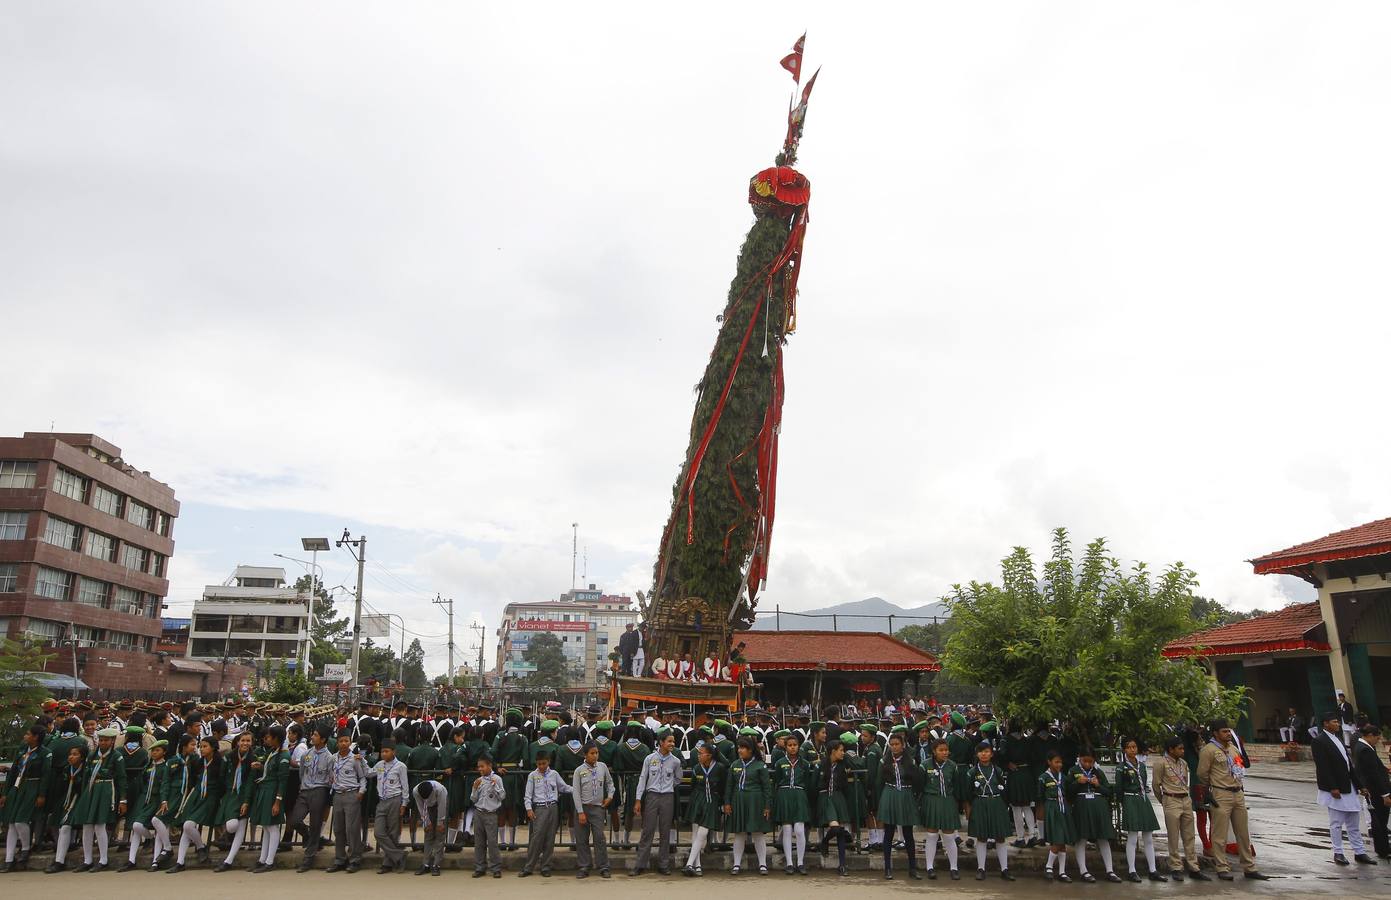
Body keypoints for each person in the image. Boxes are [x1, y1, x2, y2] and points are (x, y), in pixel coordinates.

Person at [1197, 718, 1269, 880]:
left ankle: (1249, 867)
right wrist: (1209, 791)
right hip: (1221, 793)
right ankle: (1222, 866)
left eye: (1229, 731)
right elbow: (1202, 773)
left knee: (1243, 833)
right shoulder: (1208, 750)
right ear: (1215, 733)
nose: (1228, 734)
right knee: (1219, 833)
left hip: (1237, 792)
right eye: (1224, 731)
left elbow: (1239, 767)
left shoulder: (1233, 749)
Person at [1311, 709, 1373, 865]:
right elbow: (1323, 767)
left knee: (1353, 822)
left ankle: (1359, 852)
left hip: (1348, 786)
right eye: (1334, 722)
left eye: (1338, 721)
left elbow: (1348, 765)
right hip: (1336, 788)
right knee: (1336, 823)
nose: (1337, 724)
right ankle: (1338, 852)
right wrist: (1333, 787)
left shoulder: (1337, 738)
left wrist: (1360, 785)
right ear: (1326, 724)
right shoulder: (1319, 741)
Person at [1153, 735, 1208, 880]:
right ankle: (1176, 867)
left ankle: (1193, 867)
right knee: (1173, 836)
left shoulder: (1183, 763)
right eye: (1180, 748)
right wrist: (1164, 800)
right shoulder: (1161, 763)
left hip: (1185, 799)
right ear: (1170, 749)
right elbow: (1156, 786)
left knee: (1189, 835)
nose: (1182, 751)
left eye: (1183, 748)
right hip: (1171, 799)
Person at [632, 729, 682, 875]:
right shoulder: (650, 759)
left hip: (667, 797)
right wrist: (638, 799)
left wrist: (668, 786)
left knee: (665, 831)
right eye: (669, 741)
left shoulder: (675, 761)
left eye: (673, 741)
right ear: (661, 742)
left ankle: (664, 864)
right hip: (652, 796)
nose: (672, 744)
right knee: (648, 831)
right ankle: (640, 864)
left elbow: (678, 778)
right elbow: (643, 778)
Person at [1066, 748, 1120, 882]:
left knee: (1103, 837)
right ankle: (1083, 871)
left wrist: (1098, 785)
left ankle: (1110, 870)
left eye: (1091, 761)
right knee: (1081, 837)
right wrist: (1077, 783)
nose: (1088, 764)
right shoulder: (1073, 771)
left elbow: (1108, 791)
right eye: (1085, 761)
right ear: (1079, 758)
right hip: (1082, 806)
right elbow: (1067, 791)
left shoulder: (1098, 772)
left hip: (1098, 806)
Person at [1, 724, 50, 871]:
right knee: (11, 823)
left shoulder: (44, 753)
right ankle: (9, 859)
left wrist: (41, 794)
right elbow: (13, 772)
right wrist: (5, 793)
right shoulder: (22, 751)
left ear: (36, 737)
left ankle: (25, 848)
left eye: (28, 734)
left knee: (20, 821)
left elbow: (46, 775)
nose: (25, 736)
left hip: (32, 788)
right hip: (17, 788)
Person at [169, 736, 221, 872]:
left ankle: (198, 849)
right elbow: (192, 778)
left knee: (188, 825)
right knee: (187, 825)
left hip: (210, 796)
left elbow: (223, 781)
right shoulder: (198, 762)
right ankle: (184, 859)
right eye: (201, 746)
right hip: (197, 794)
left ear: (213, 748)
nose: (202, 749)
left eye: (205, 746)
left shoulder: (220, 762)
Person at [1116, 737, 1164, 881]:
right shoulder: (1122, 767)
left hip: (1142, 799)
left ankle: (1153, 870)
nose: (1132, 750)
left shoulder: (1141, 766)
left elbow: (1144, 783)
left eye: (1134, 747)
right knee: (1132, 836)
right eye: (1129, 747)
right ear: (1124, 749)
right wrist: (1122, 802)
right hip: (1130, 799)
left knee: (1148, 836)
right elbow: (1119, 788)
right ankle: (1132, 870)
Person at [964, 740, 1013, 880]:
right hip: (980, 802)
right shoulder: (972, 772)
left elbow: (1004, 789)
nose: (984, 754)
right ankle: (981, 868)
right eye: (981, 752)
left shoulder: (997, 770)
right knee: (981, 836)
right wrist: (968, 810)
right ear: (977, 754)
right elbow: (968, 794)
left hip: (996, 802)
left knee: (1000, 836)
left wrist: (1004, 805)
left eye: (987, 752)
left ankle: (1005, 869)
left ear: (991, 754)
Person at [724, 735, 771, 875]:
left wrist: (767, 805)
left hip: (756, 802)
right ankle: (736, 864)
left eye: (743, 748)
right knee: (739, 833)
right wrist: (727, 802)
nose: (740, 750)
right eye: (739, 747)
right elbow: (729, 786)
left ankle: (762, 864)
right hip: (738, 801)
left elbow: (767, 788)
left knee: (757, 832)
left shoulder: (759, 765)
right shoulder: (735, 765)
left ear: (750, 750)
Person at [876, 731, 921, 879]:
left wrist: (914, 798)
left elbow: (916, 782)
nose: (894, 747)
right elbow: (878, 783)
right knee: (889, 832)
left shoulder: (911, 761)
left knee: (908, 833)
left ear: (903, 746)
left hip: (906, 796)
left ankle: (912, 868)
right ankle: (887, 868)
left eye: (897, 744)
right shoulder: (884, 762)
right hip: (889, 795)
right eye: (892, 744)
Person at [120, 738, 169, 872]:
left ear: (164, 752)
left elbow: (165, 785)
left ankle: (155, 861)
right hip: (146, 800)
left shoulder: (165, 767)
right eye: (152, 750)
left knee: (159, 828)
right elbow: (143, 782)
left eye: (157, 750)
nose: (154, 753)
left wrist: (164, 800)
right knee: (136, 826)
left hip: (158, 800)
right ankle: (131, 860)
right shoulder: (149, 766)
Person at [519, 749, 569, 877]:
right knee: (536, 838)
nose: (541, 766)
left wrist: (577, 790)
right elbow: (528, 795)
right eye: (539, 764)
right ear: (536, 763)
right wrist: (529, 809)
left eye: (544, 763)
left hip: (553, 807)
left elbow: (563, 787)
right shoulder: (532, 776)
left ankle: (546, 866)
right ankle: (529, 866)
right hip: (539, 808)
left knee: (550, 838)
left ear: (549, 762)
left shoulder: (554, 774)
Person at [289, 726, 332, 872]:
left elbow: (330, 777)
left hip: (319, 790)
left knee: (315, 823)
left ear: (323, 739)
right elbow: (302, 773)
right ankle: (309, 837)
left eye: (315, 735)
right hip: (305, 790)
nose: (312, 737)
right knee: (295, 820)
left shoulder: (329, 758)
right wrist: (304, 785)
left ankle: (309, 857)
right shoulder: (306, 754)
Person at [771, 732, 814, 875]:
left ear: (799, 746)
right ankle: (789, 862)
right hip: (784, 795)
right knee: (787, 830)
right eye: (789, 745)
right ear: (785, 747)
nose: (792, 748)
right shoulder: (779, 763)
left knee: (800, 830)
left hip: (799, 795)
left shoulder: (805, 764)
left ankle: (800, 862)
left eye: (795, 745)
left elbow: (808, 782)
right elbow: (777, 780)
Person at [919, 737, 961, 880]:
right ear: (934, 751)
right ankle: (929, 867)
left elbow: (956, 785)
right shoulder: (925, 765)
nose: (944, 753)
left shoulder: (952, 766)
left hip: (947, 801)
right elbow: (921, 785)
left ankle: (954, 868)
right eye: (941, 750)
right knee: (931, 835)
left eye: (946, 750)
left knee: (949, 835)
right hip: (931, 800)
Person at [248, 725, 289, 873]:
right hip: (265, 790)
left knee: (272, 826)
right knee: (266, 826)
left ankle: (270, 861)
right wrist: (260, 766)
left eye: (270, 737)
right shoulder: (273, 752)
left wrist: (277, 801)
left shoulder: (284, 756)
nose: (267, 739)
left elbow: (282, 781)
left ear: (276, 738)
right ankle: (262, 859)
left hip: (273, 792)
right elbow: (268, 767)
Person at [214, 730, 256, 872]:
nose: (245, 743)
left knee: (241, 827)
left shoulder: (253, 758)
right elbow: (222, 775)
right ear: (237, 742)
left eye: (248, 741)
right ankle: (227, 843)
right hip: (231, 795)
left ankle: (228, 860)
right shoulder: (229, 756)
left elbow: (250, 781)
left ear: (252, 743)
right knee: (232, 826)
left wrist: (246, 801)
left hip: (245, 795)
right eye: (242, 740)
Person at [326, 732, 368, 873]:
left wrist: (361, 792)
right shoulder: (333, 759)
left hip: (352, 794)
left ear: (350, 742)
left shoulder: (355, 759)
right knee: (338, 829)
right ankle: (339, 859)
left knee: (352, 829)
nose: (343, 743)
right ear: (337, 743)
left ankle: (355, 859)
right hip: (337, 795)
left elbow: (362, 777)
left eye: (346, 741)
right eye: (341, 741)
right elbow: (330, 775)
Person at [572, 741, 615, 878]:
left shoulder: (602, 767)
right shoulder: (579, 770)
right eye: (592, 753)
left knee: (599, 838)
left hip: (598, 808)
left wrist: (610, 796)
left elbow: (610, 783)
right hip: (583, 808)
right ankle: (584, 866)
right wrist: (580, 812)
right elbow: (576, 792)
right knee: (582, 839)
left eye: (596, 753)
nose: (595, 756)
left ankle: (603, 866)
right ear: (585, 755)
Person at [683, 742, 726, 876]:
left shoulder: (719, 768)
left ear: (709, 755)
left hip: (712, 801)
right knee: (695, 833)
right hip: (698, 800)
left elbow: (723, 786)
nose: (699, 755)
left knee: (703, 833)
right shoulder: (697, 768)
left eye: (701, 753)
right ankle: (697, 866)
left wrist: (723, 802)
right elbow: (693, 785)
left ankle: (689, 863)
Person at [44, 744, 88, 873]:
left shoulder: (86, 769)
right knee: (60, 827)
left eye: (75, 754)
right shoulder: (66, 769)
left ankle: (82, 860)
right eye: (70, 754)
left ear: (83, 757)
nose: (71, 757)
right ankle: (59, 860)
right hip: (65, 801)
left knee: (66, 827)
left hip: (79, 800)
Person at [370, 738, 411, 873]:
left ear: (394, 752)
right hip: (382, 801)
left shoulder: (400, 766)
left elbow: (405, 786)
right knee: (378, 832)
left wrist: (404, 803)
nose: (383, 754)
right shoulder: (380, 764)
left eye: (386, 751)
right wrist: (361, 761)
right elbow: (369, 773)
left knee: (393, 832)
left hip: (395, 799)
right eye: (382, 751)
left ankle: (387, 863)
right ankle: (399, 855)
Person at [1352, 725, 1390, 860]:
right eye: (1376, 736)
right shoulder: (1365, 750)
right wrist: (1385, 794)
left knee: (1379, 821)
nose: (1378, 739)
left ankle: (1383, 847)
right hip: (1376, 790)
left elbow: (1374, 768)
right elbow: (1373, 774)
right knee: (1380, 821)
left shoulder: (1362, 747)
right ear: (1369, 735)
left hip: (1372, 789)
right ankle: (1383, 849)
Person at [1036, 749, 1075, 882]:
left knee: (1062, 841)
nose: (1059, 765)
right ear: (1049, 762)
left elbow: (1068, 793)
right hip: (1052, 808)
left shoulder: (1063, 777)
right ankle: (1048, 866)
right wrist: (1041, 817)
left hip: (1063, 808)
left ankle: (1062, 872)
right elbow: (1040, 798)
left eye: (1060, 762)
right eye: (1056, 762)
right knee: (1057, 839)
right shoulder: (1043, 778)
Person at [470, 755, 505, 878]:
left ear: (489, 766)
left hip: (491, 814)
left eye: (482, 766)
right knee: (479, 842)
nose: (480, 769)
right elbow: (473, 799)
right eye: (478, 767)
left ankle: (496, 868)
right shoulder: (478, 780)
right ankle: (480, 867)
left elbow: (502, 796)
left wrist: (496, 786)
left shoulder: (497, 779)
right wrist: (474, 788)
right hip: (479, 812)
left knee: (492, 842)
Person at [412, 778, 448, 876]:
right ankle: (426, 864)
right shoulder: (416, 791)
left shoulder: (440, 790)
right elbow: (421, 807)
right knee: (428, 834)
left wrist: (440, 823)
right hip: (427, 808)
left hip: (439, 806)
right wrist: (426, 822)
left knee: (440, 835)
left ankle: (436, 865)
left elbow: (442, 806)